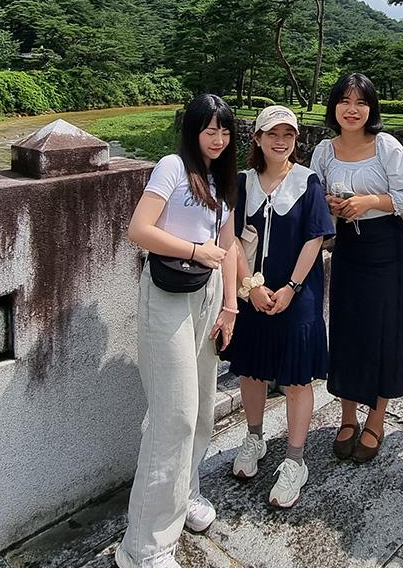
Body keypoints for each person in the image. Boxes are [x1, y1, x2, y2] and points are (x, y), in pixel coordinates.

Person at [117, 94, 241, 568]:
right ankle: (143, 547)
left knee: (204, 408)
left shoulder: (224, 180)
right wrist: (193, 249)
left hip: (208, 298)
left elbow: (228, 248)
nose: (217, 138)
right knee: (175, 416)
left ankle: (183, 494)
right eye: (209, 129)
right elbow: (139, 230)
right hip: (168, 294)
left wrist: (231, 306)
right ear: (192, 130)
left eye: (225, 130)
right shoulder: (172, 166)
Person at [224, 105, 334, 508]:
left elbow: (315, 237)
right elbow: (231, 238)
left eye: (288, 134)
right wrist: (250, 287)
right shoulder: (242, 182)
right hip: (251, 293)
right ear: (257, 138)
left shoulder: (307, 182)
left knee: (297, 377)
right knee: (251, 369)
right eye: (272, 133)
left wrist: (290, 287)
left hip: (297, 295)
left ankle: (295, 459)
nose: (281, 141)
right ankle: (254, 438)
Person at [310, 73, 403, 463]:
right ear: (334, 107)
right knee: (347, 331)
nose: (352, 109)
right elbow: (316, 201)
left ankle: (376, 419)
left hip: (386, 247)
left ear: (371, 107)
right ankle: (347, 416)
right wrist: (333, 206)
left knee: (385, 333)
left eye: (360, 102)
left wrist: (370, 201)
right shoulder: (324, 151)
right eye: (345, 101)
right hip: (348, 249)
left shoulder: (385, 146)